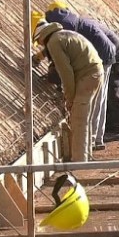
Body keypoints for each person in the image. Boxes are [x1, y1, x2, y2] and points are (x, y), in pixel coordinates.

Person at [46, 1, 116, 151]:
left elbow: (66, 65)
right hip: (105, 53)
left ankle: (92, 141)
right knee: (100, 98)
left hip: (100, 58)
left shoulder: (61, 28)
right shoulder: (67, 21)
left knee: (95, 99)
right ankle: (97, 138)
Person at [33, 21, 104, 163]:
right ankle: (86, 156)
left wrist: (69, 98)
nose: (40, 44)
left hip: (87, 76)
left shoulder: (53, 42)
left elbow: (66, 73)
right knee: (85, 118)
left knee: (78, 119)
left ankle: (79, 161)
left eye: (39, 41)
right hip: (96, 73)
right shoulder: (63, 35)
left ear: (42, 37)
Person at [103, 28, 119, 143]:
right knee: (109, 93)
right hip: (109, 54)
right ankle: (110, 127)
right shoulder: (78, 25)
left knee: (113, 91)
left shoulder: (78, 29)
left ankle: (116, 129)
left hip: (114, 57)